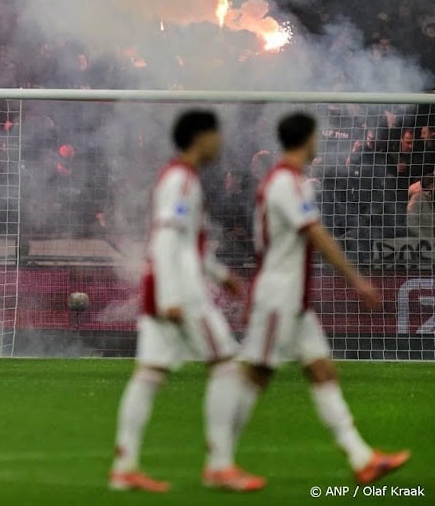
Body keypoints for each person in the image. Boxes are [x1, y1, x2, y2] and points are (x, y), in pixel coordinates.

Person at [233, 112, 410, 486]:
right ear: (306, 139)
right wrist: (356, 279)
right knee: (255, 377)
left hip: (293, 299)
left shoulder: (288, 180)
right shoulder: (286, 181)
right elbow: (315, 233)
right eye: (316, 137)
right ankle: (219, 458)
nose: (319, 143)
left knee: (322, 370)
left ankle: (362, 458)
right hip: (279, 296)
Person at [110, 110, 263, 493]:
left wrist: (220, 274)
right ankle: (220, 465)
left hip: (166, 287)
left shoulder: (181, 177)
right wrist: (172, 298)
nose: (220, 142)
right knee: (226, 366)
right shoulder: (180, 180)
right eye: (216, 134)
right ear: (200, 138)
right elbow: (165, 240)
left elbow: (185, 243)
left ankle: (124, 466)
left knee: (149, 374)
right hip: (183, 294)